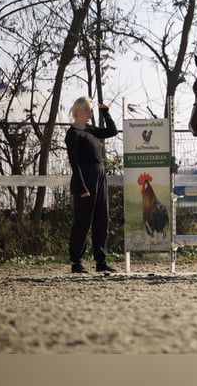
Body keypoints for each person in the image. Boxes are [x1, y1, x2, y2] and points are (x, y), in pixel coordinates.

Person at [65, 96, 119, 274]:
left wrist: (106, 112)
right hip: (85, 178)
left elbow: (112, 131)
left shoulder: (92, 130)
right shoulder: (72, 134)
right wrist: (82, 187)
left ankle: (101, 261)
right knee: (82, 221)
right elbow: (75, 163)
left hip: (100, 176)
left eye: (91, 109)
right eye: (87, 109)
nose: (90, 112)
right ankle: (76, 262)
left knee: (101, 219)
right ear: (77, 110)